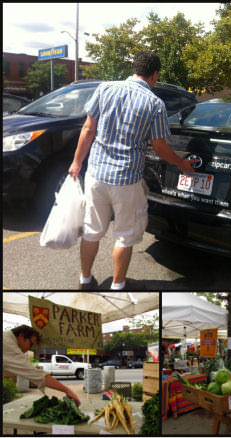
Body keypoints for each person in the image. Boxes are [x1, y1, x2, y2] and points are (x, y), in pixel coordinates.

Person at [69, 51, 198, 290]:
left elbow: (88, 129)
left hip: (96, 174)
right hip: (126, 179)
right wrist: (181, 163)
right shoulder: (154, 103)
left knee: (91, 230)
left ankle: (85, 280)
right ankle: (118, 285)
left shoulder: (105, 88)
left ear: (133, 68)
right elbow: (159, 146)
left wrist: (77, 162)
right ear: (155, 75)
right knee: (124, 235)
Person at [3, 325, 81, 406]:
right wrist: (67, 390)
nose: (30, 348)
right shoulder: (8, 345)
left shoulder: (7, 339)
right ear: (21, 336)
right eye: (31, 344)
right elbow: (35, 374)